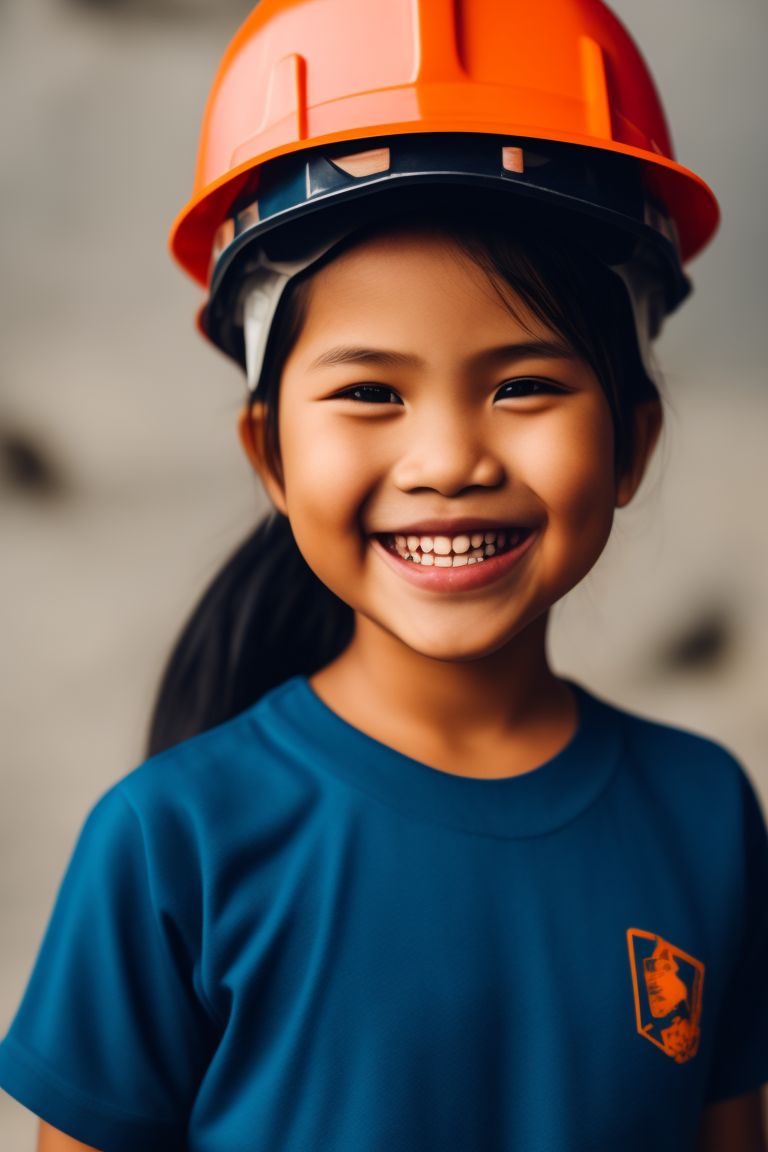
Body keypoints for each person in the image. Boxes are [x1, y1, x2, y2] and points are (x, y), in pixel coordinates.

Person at [1, 1, 766, 1149]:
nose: (449, 460)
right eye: (370, 392)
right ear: (269, 450)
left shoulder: (704, 814)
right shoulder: (171, 841)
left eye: (524, 385)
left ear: (633, 442)